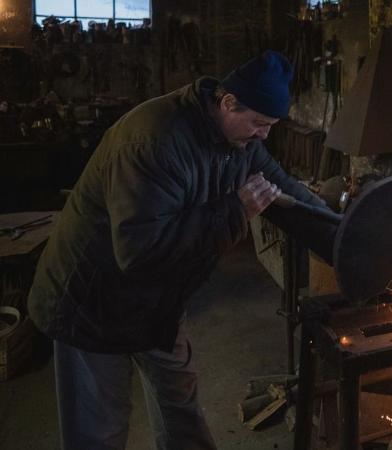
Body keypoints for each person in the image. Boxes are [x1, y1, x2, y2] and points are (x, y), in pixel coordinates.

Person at [27, 50, 336, 450]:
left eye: (270, 126)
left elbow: (286, 193)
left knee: (181, 413)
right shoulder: (154, 140)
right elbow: (140, 253)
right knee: (99, 429)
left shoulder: (239, 141)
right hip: (92, 302)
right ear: (228, 103)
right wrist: (234, 211)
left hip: (158, 302)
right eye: (260, 123)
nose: (264, 135)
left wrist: (345, 237)